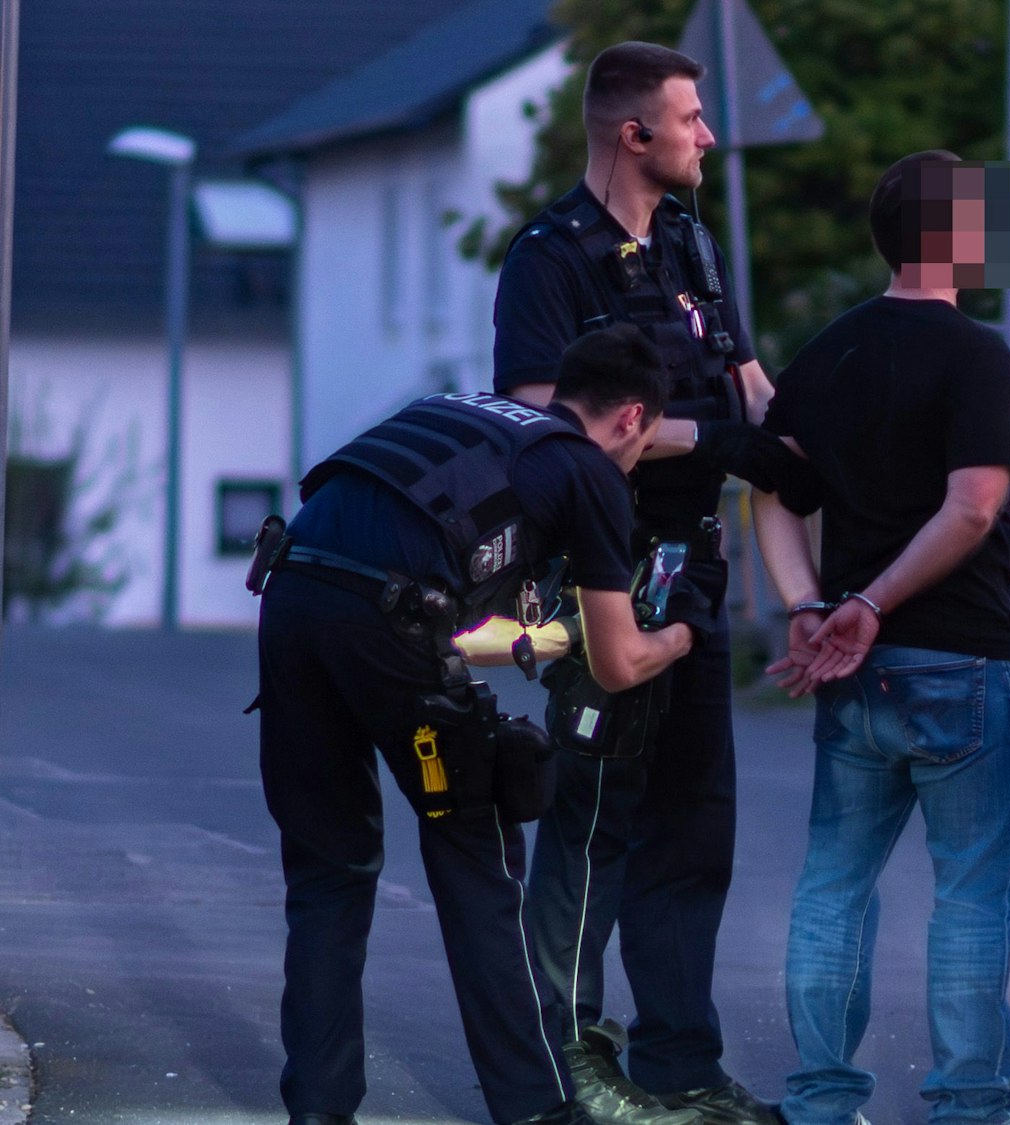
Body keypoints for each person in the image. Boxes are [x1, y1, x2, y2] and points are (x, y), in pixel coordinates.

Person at [253, 325, 695, 1125]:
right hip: (389, 619)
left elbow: (449, 618)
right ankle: (537, 1110)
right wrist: (684, 630)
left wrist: (544, 636)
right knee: (480, 857)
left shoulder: (461, 415)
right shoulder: (588, 470)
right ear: (632, 418)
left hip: (292, 595)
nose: (634, 461)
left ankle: (318, 1110)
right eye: (645, 443)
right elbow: (621, 662)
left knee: (329, 869)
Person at [492, 39, 805, 1125]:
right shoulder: (550, 257)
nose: (708, 136)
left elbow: (750, 386)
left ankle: (678, 1068)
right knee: (592, 823)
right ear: (635, 135)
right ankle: (563, 1066)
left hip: (692, 568)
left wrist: (824, 435)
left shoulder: (687, 242)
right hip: (601, 563)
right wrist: (712, 442)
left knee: (690, 824)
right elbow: (546, 414)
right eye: (691, 119)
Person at [751, 151, 1010, 1125]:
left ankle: (821, 1103)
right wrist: (868, 602)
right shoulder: (976, 353)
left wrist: (804, 604)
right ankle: (969, 1106)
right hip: (962, 661)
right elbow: (973, 508)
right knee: (969, 898)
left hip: (852, 674)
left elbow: (774, 494)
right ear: (957, 237)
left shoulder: (825, 354)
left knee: (832, 888)